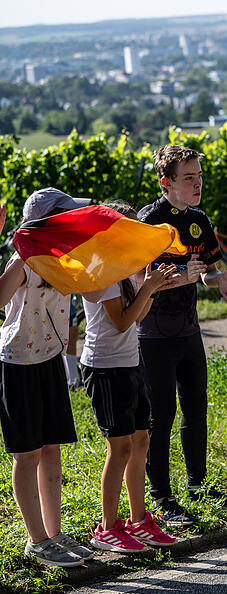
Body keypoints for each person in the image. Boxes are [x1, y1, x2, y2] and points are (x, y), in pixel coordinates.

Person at [138, 145, 227, 527]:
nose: (198, 183)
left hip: (189, 330)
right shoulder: (149, 221)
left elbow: (205, 272)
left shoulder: (199, 218)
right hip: (153, 334)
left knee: (196, 409)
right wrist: (182, 275)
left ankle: (198, 485)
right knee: (162, 416)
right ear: (166, 182)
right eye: (189, 177)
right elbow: (142, 282)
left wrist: (221, 280)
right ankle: (161, 496)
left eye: (199, 176)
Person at [0, 189, 93, 567]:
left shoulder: (65, 257)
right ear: (43, 223)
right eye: (63, 217)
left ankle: (55, 535)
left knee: (52, 448)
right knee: (28, 453)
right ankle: (36, 540)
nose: (71, 222)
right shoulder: (24, 258)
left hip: (51, 358)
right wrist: (21, 256)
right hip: (18, 362)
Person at [81, 202, 179, 553]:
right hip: (105, 367)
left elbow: (136, 315)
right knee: (119, 447)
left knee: (141, 442)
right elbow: (122, 321)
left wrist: (149, 283)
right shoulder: (101, 271)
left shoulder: (123, 268)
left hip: (128, 361)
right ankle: (107, 528)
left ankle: (139, 520)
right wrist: (149, 287)